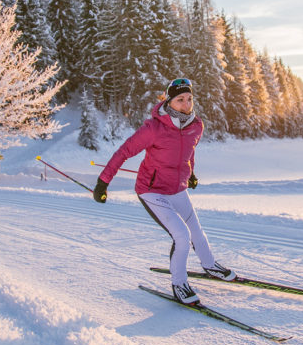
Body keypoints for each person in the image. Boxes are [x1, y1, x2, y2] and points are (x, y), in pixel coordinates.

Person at [93, 78, 236, 304]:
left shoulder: (196, 125)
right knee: (182, 235)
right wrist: (103, 182)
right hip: (152, 190)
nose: (186, 104)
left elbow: (189, 153)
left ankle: (210, 265)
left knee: (196, 230)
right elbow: (124, 152)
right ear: (169, 101)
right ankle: (179, 284)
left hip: (177, 188)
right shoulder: (154, 128)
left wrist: (191, 174)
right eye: (180, 100)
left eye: (189, 99)